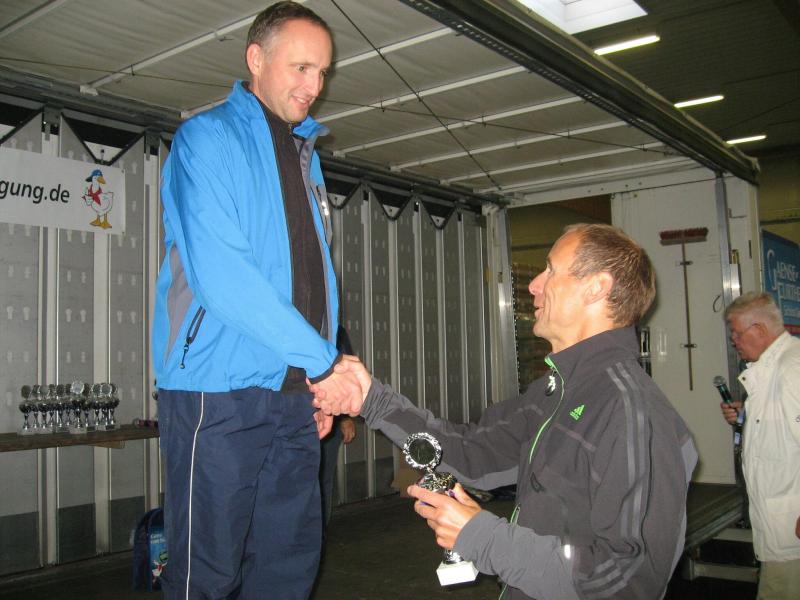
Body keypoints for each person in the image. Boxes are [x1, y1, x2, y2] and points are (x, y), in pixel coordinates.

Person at [314, 223, 697, 600]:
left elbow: (629, 580)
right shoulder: (554, 394)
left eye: (551, 270)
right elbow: (470, 451)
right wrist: (371, 399)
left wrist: (484, 537)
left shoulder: (631, 412)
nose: (534, 285)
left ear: (596, 287)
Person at [151, 3, 363, 598]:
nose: (314, 87)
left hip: (293, 396)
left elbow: (313, 280)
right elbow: (225, 277)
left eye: (322, 73)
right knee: (206, 572)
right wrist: (325, 363)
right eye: (301, 68)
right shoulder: (207, 139)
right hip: (217, 392)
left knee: (287, 566)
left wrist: (313, 379)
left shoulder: (305, 156)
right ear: (255, 59)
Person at [719, 292, 800, 599]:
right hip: (779, 525)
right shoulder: (772, 369)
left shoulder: (791, 370)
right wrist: (746, 416)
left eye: (737, 333)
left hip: (791, 530)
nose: (734, 341)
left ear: (760, 330)